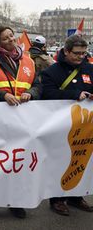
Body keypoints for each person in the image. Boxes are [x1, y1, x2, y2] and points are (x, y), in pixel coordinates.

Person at [0, 26, 41, 220]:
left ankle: (16, 202)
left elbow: (38, 85)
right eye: (6, 39)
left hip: (23, 122)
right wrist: (3, 95)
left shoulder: (28, 60)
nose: (11, 40)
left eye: (12, 36)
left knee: (18, 164)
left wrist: (32, 93)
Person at [41, 34, 93, 216]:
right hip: (60, 127)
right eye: (77, 53)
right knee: (59, 161)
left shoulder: (89, 69)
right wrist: (74, 94)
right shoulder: (52, 71)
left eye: (83, 53)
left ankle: (77, 196)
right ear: (66, 51)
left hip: (84, 127)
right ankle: (57, 199)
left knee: (81, 161)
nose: (80, 57)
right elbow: (47, 94)